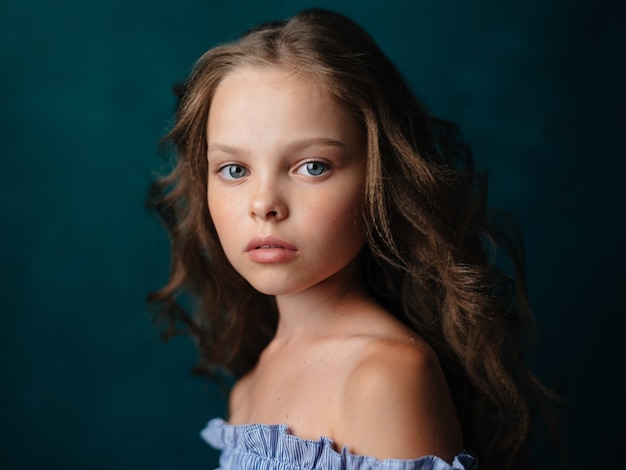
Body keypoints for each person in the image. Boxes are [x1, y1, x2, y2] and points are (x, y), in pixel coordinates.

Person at [148, 8, 558, 470]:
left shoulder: (384, 378)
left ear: (378, 180)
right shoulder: (249, 388)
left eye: (313, 166)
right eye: (234, 170)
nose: (264, 203)